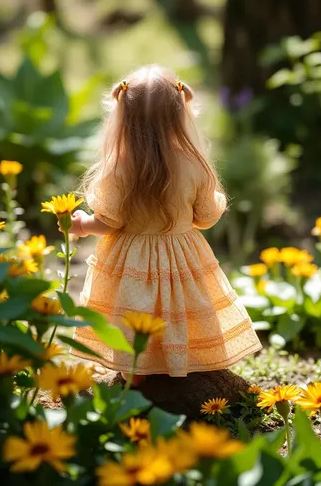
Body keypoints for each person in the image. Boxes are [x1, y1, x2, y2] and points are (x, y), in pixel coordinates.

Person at [69, 65, 261, 384]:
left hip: (130, 257)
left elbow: (108, 221)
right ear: (180, 114)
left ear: (123, 119)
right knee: (182, 308)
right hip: (182, 255)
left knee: (133, 311)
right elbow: (206, 217)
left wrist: (84, 225)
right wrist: (218, 202)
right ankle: (182, 361)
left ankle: (136, 371)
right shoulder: (192, 164)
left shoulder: (118, 167)